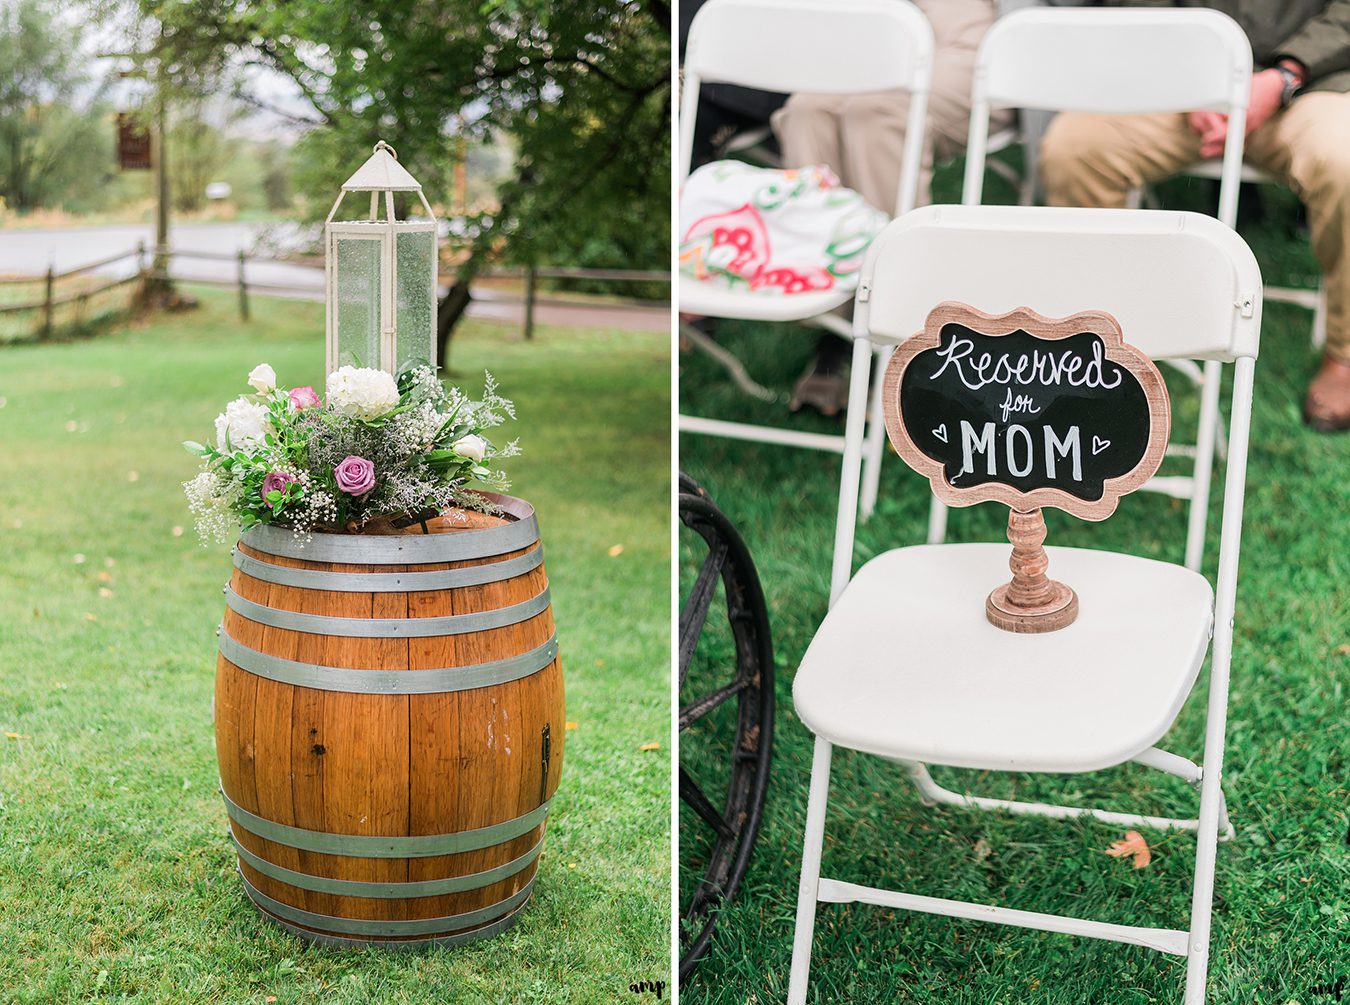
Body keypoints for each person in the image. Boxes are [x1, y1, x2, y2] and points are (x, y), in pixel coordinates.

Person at [1039, 0, 1350, 432]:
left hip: (1313, 84)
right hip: (1182, 83)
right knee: (1074, 149)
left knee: (1346, 161)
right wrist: (1185, 77)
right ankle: (1101, 342)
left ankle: (1345, 353)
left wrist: (1285, 75)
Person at [771, 0, 1008, 413]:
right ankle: (832, 313)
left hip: (974, 42)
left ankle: (906, 321)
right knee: (806, 110)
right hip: (874, 36)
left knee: (877, 109)